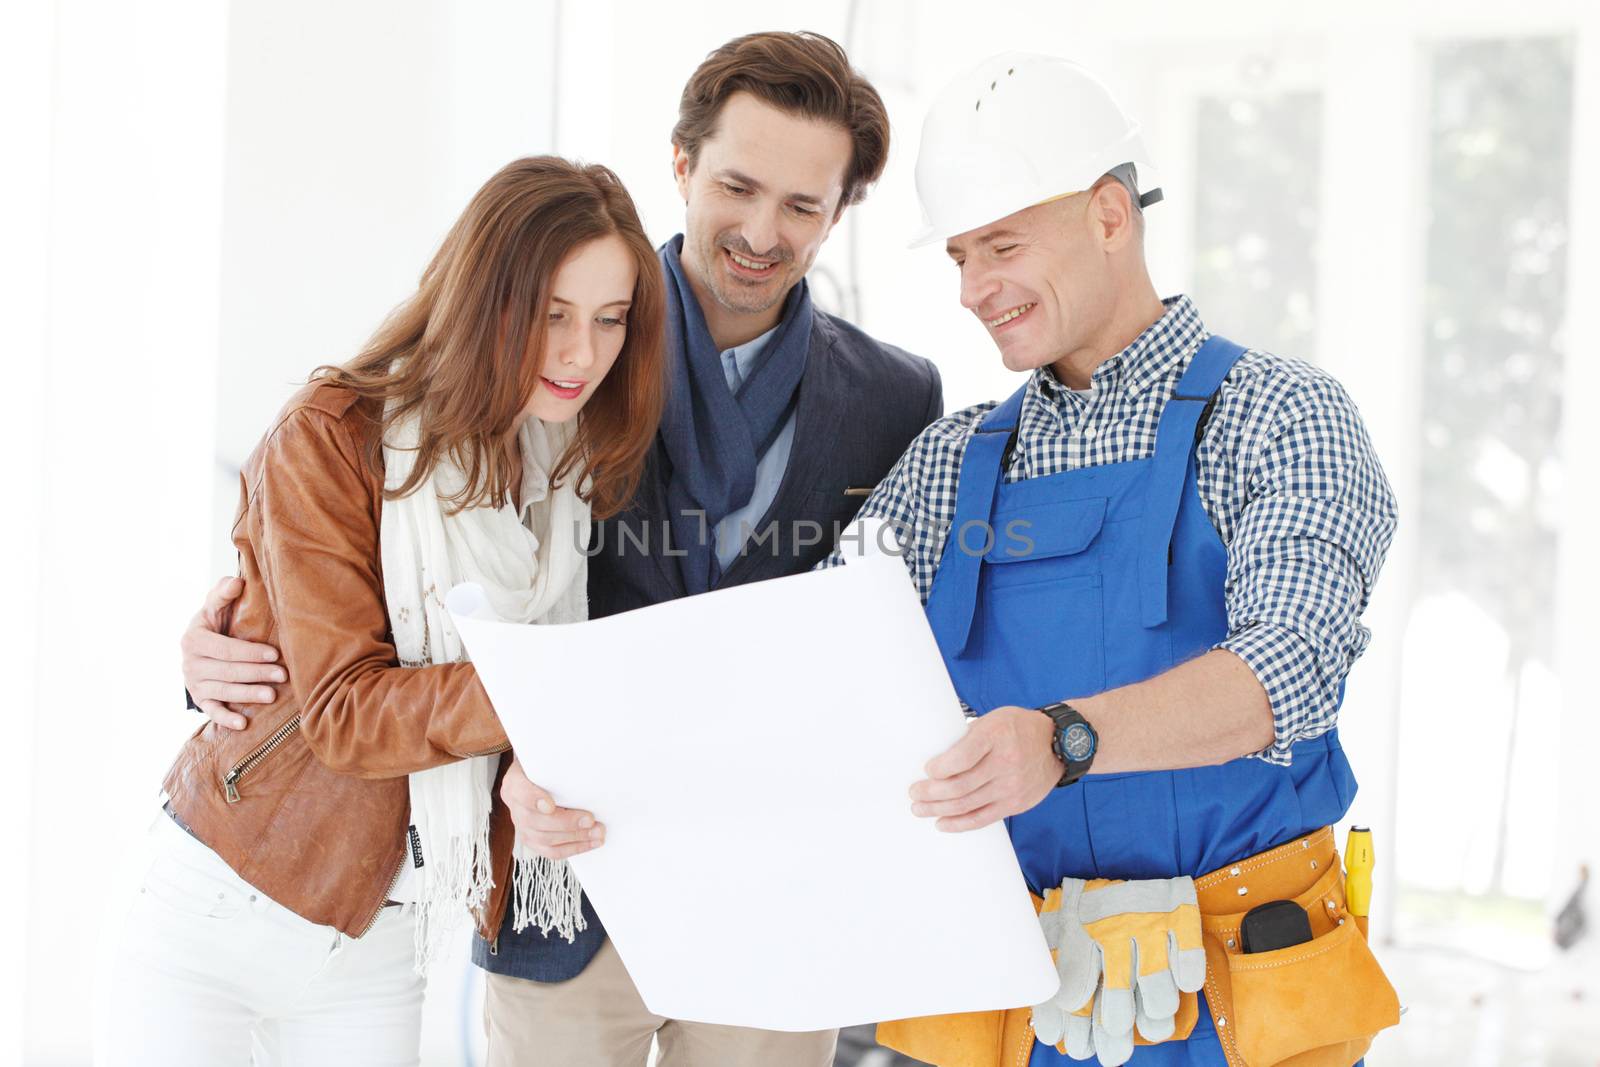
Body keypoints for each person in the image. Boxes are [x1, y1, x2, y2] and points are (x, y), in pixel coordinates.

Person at [178, 31, 942, 1067]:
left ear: (840, 212)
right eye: (737, 185)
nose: (762, 232)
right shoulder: (556, 361)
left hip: (774, 900)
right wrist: (216, 642)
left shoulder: (897, 397)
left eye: (803, 206)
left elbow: (887, 633)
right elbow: (392, 538)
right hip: (564, 887)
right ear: (680, 164)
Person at [848, 54, 1402, 1066]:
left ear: (1110, 213)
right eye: (960, 256)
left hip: (1240, 992)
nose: (975, 289)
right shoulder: (942, 465)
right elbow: (812, 664)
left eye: (1002, 245)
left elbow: (1289, 669)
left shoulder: (1282, 415)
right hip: (1016, 1000)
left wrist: (1060, 740)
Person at [108, 156, 667, 1067]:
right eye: (553, 315)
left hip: (382, 939)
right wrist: (551, 695)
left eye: (610, 320)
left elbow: (503, 695)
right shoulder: (333, 435)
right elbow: (348, 712)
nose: (583, 354)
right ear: (487, 300)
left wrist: (531, 767)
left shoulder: (562, 470)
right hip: (219, 906)